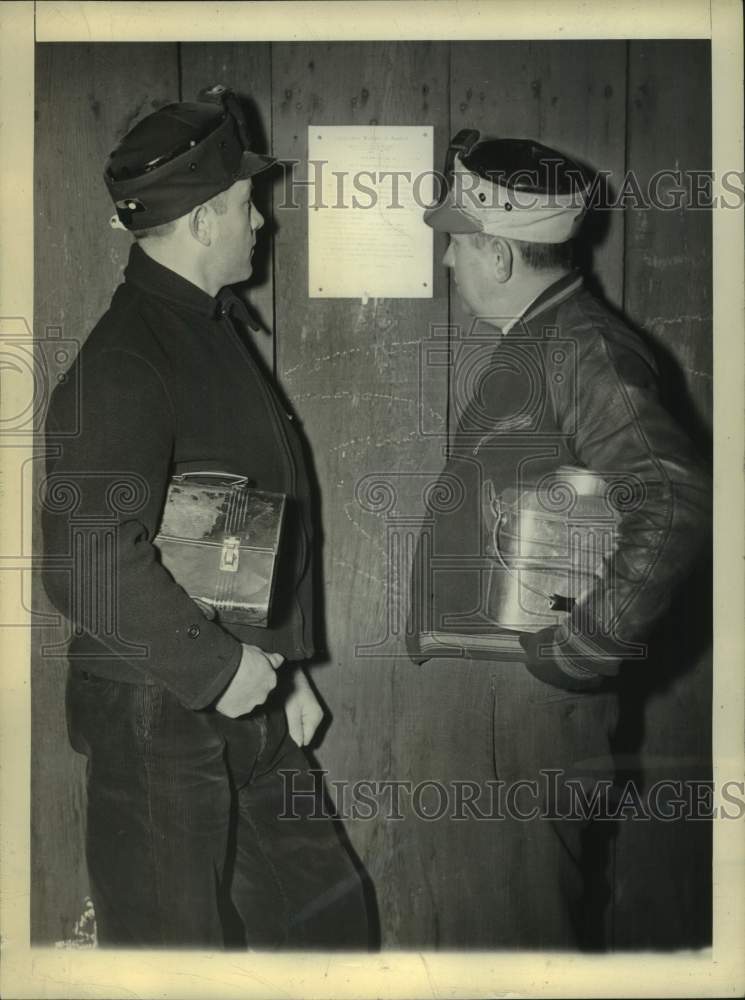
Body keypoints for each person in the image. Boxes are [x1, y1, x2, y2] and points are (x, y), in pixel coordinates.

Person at [41, 85, 369, 949]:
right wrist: (224, 672)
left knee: (329, 928)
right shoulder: (128, 357)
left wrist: (280, 670)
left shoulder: (203, 331)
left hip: (235, 690)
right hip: (161, 708)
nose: (260, 222)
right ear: (198, 223)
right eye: (244, 205)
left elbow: (223, 528)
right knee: (167, 956)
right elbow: (84, 559)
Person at [407, 132, 711, 948]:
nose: (446, 265)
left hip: (528, 712)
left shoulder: (581, 347)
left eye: (455, 245)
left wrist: (581, 648)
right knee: (489, 937)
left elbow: (675, 505)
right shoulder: (547, 341)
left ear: (498, 257)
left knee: (514, 945)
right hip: (503, 707)